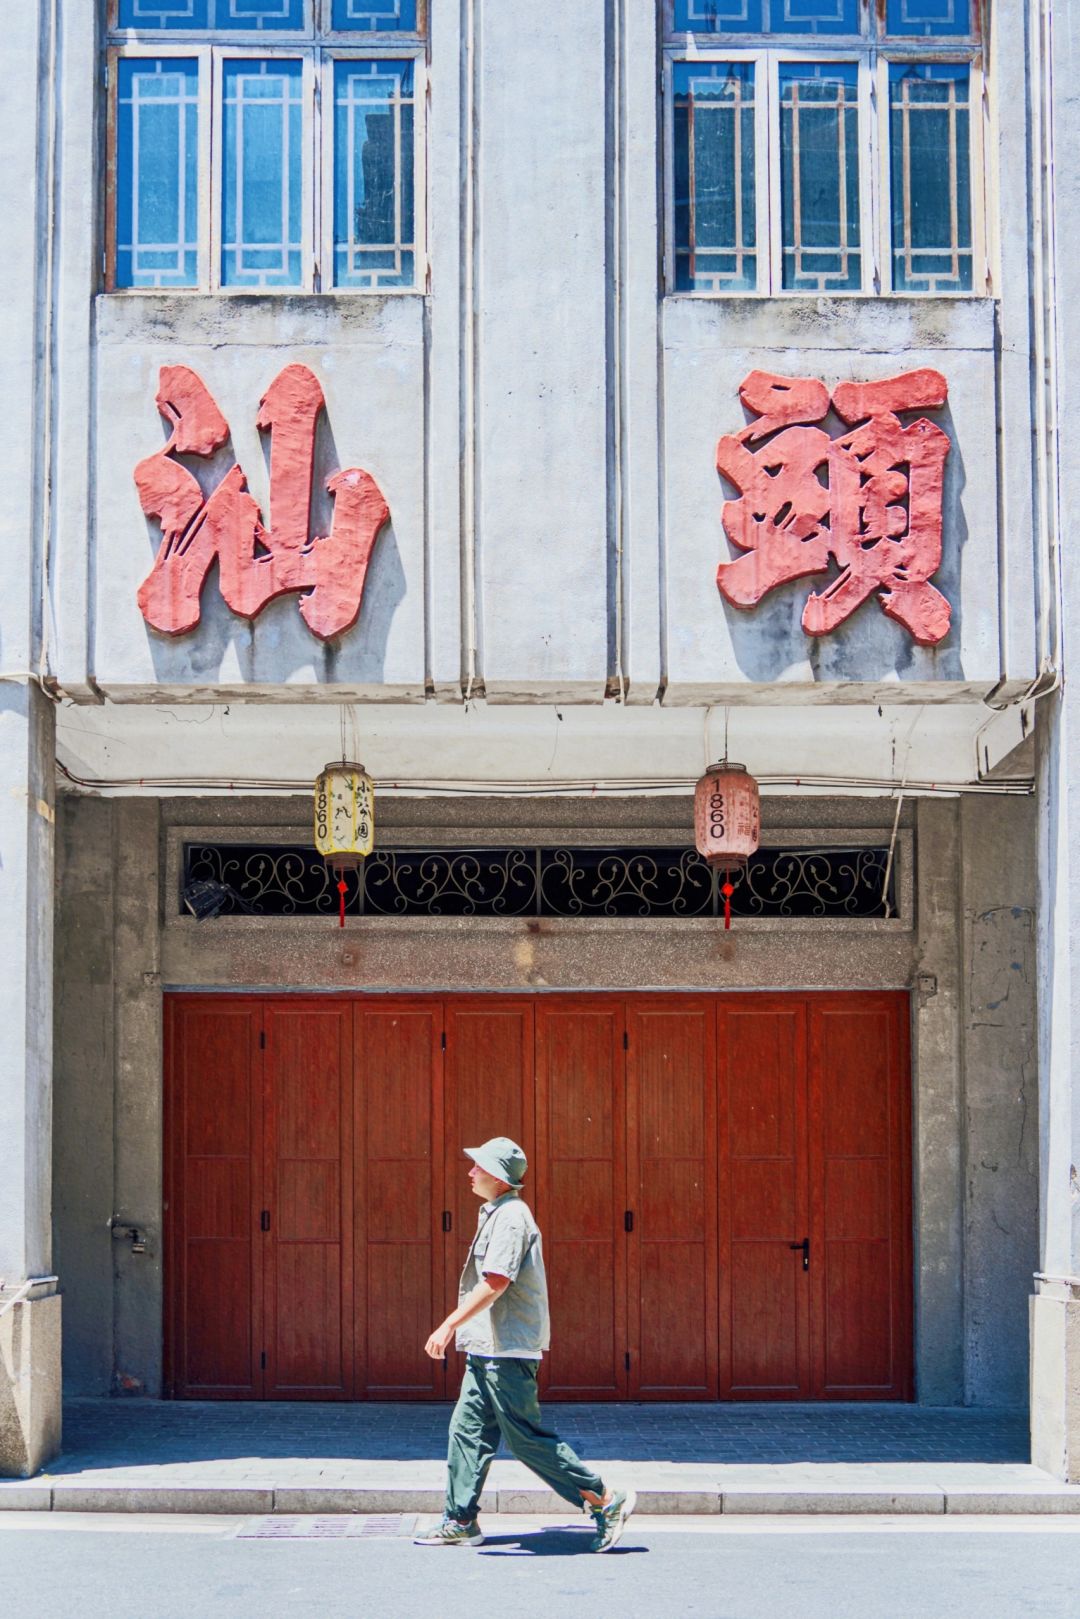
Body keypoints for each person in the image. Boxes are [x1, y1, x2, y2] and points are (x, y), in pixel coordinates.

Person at [413, 1136, 636, 1553]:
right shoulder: (495, 1212)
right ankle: (460, 1519)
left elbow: (496, 1281)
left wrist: (447, 1325)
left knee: (525, 1439)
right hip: (485, 1349)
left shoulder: (512, 1216)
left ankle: (604, 1500)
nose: (470, 1172)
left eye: (477, 1166)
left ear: (497, 1176)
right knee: (466, 1432)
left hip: (508, 1352)